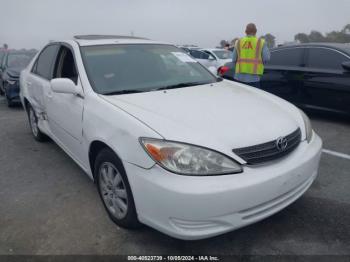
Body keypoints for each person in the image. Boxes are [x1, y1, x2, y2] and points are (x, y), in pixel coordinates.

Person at [232, 23, 270, 88]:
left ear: (245, 31)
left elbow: (234, 59)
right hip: (254, 78)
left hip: (238, 77)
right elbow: (266, 58)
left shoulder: (238, 42)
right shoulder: (261, 42)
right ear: (256, 31)